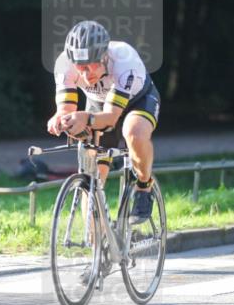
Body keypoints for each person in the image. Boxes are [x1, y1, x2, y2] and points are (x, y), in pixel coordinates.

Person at [47, 20, 161, 224]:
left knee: (133, 132)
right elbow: (66, 108)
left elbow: (110, 118)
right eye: (79, 67)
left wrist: (84, 118)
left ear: (104, 56)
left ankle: (144, 186)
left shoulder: (125, 61)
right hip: (98, 103)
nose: (84, 74)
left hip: (137, 101)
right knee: (91, 170)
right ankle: (96, 239)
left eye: (89, 66)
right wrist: (61, 118)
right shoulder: (64, 64)